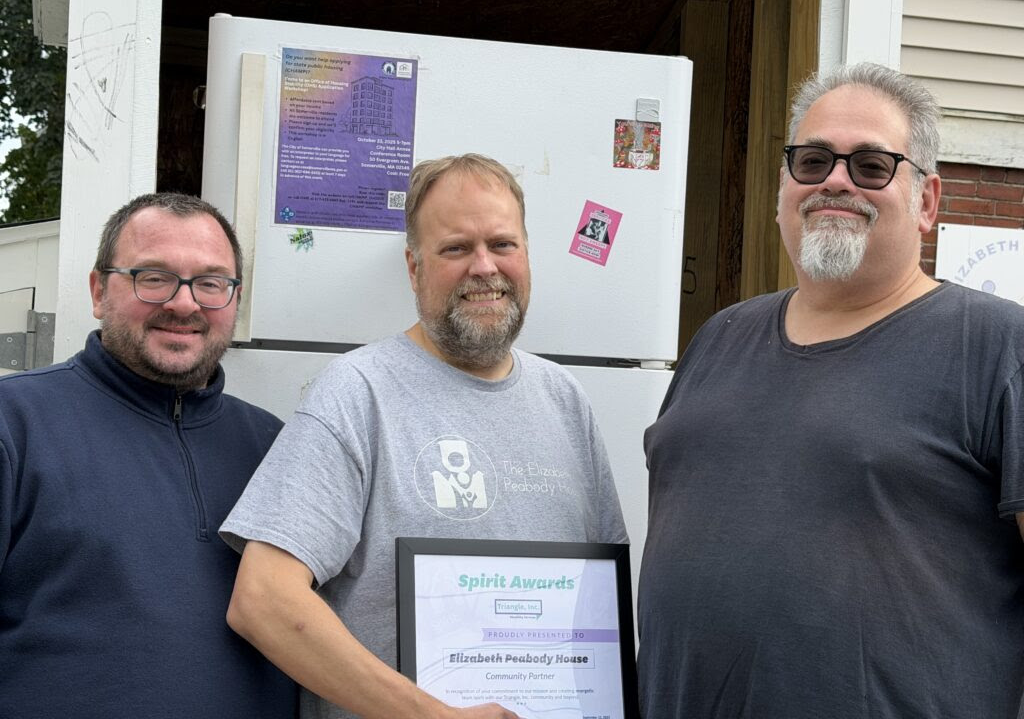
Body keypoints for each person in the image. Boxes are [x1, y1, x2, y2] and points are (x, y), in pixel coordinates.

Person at [637, 62, 1024, 718]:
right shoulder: (717, 339)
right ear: (784, 187)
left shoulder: (996, 347)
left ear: (927, 201)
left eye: (872, 165)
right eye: (812, 160)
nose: (835, 181)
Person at [220, 153, 628, 719]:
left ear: (527, 256)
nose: (484, 267)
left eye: (503, 244)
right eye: (456, 248)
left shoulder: (565, 401)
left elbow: (598, 605)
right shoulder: (357, 393)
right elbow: (262, 599)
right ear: (414, 269)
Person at [0, 193, 297, 719]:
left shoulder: (277, 448)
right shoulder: (15, 426)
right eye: (153, 277)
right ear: (98, 291)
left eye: (210, 283)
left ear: (234, 298)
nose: (184, 304)